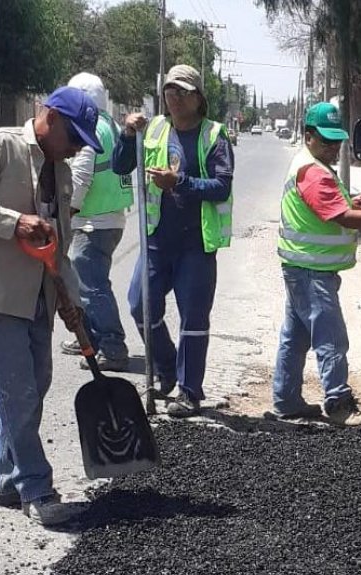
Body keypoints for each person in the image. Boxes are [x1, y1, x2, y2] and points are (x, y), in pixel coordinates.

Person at [0, 86, 103, 527]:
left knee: (35, 385)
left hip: (38, 297)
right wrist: (13, 222)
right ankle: (37, 488)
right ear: (50, 118)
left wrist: (73, 301)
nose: (78, 147)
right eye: (75, 136)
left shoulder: (61, 172)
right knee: (18, 393)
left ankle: (3, 481)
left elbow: (59, 245)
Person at [267, 102, 361, 421]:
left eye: (337, 141)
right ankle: (338, 401)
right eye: (327, 141)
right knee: (330, 337)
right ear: (308, 136)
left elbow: (332, 205)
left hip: (302, 268)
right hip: (312, 271)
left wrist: (352, 199)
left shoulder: (309, 165)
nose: (334, 148)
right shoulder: (314, 172)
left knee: (295, 337)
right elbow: (344, 218)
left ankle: (286, 401)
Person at [112, 65, 235, 416]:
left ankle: (189, 391)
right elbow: (122, 167)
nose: (175, 97)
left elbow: (221, 185)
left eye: (183, 91)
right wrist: (125, 135)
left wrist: (179, 182)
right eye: (170, 90)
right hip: (157, 241)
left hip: (196, 244)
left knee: (193, 320)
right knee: (139, 304)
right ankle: (165, 366)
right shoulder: (154, 130)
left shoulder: (214, 136)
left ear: (199, 98)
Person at [59, 72, 133, 372]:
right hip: (111, 219)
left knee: (92, 286)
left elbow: (80, 177)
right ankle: (87, 337)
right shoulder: (112, 126)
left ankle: (113, 347)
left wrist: (67, 213)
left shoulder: (90, 129)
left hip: (92, 222)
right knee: (83, 283)